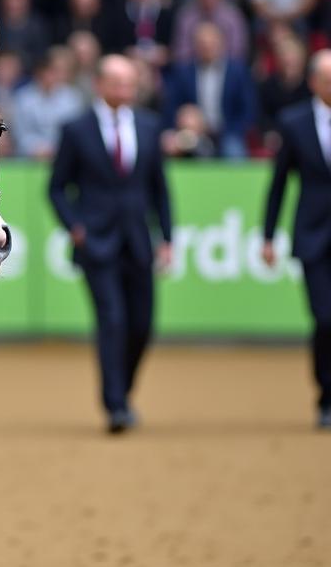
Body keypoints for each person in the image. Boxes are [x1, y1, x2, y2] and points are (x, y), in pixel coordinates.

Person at [49, 55, 172, 433]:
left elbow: (159, 189)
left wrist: (167, 237)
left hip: (138, 241)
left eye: (130, 83)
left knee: (142, 325)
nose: (125, 90)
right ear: (101, 85)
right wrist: (76, 226)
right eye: (118, 83)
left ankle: (124, 391)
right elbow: (56, 188)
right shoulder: (76, 129)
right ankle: (115, 405)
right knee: (112, 320)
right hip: (96, 243)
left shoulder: (150, 127)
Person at [262, 50, 331, 429]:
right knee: (325, 317)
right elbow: (278, 185)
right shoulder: (294, 123)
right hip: (314, 235)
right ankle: (326, 394)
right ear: (314, 82)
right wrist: (268, 235)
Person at [163, 22, 256, 159]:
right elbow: (172, 107)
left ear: (222, 44)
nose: (207, 48)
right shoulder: (183, 73)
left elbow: (248, 110)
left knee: (233, 152)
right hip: (191, 134)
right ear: (195, 46)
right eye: (202, 44)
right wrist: (184, 120)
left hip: (229, 132)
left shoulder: (238, 72)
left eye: (211, 43)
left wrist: (230, 130)